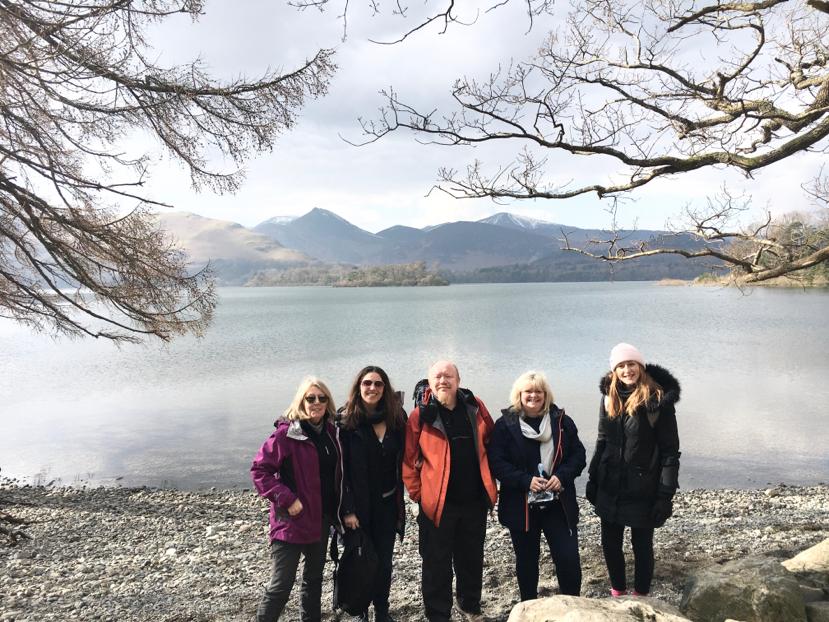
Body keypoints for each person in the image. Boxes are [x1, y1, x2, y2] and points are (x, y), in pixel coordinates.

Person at [403, 360, 498, 622]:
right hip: (437, 505)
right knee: (436, 564)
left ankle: (470, 606)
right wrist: (418, 495)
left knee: (471, 559)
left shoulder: (475, 406)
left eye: (448, 376)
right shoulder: (420, 415)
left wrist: (492, 482)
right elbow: (409, 460)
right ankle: (438, 614)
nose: (443, 380)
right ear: (430, 382)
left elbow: (491, 439)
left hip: (474, 501)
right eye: (438, 377)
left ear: (458, 380)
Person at [585, 343, 681, 597]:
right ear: (614, 371)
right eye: (621, 366)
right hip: (610, 484)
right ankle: (617, 591)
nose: (627, 370)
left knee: (641, 545)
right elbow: (602, 439)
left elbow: (670, 452)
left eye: (631, 364)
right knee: (610, 543)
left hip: (643, 487)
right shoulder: (609, 397)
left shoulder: (657, 400)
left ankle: (641, 596)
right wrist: (594, 477)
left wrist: (664, 495)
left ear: (640, 366)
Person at [251, 377, 345, 622]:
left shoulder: (332, 433)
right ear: (301, 401)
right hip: (291, 521)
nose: (316, 403)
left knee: (313, 581)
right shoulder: (286, 434)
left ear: (328, 402)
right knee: (281, 585)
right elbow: (260, 471)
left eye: (321, 398)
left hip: (322, 519)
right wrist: (287, 499)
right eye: (310, 398)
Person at [488, 370, 586, 601]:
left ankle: (573, 604)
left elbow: (578, 455)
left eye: (538, 391)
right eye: (528, 391)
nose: (534, 396)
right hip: (521, 506)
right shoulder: (505, 425)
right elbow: (496, 462)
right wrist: (525, 481)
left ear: (546, 394)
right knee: (526, 560)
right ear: (519, 395)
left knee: (568, 558)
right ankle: (528, 605)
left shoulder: (561, 421)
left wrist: (561, 476)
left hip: (558, 503)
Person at [339, 366, 407, 622]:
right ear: (359, 387)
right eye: (367, 383)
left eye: (378, 384)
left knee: (384, 562)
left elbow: (409, 455)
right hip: (358, 507)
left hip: (388, 504)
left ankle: (382, 610)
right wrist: (347, 509)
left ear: (385, 388)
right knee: (361, 561)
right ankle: (361, 611)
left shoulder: (396, 418)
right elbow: (339, 471)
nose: (372, 388)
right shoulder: (346, 422)